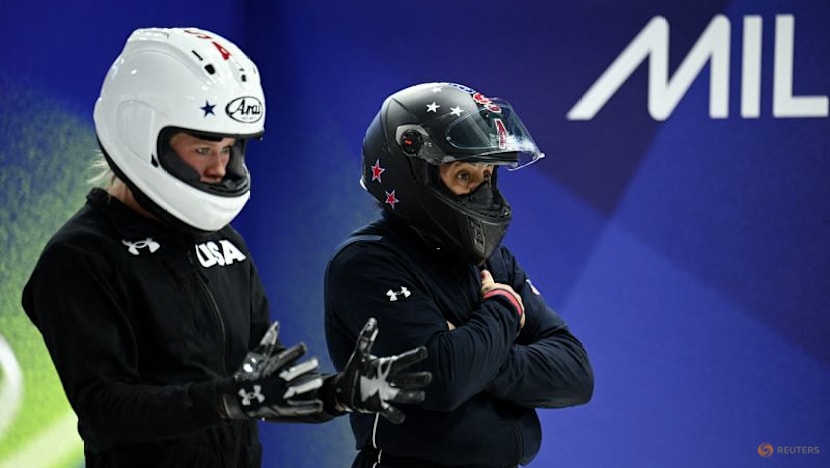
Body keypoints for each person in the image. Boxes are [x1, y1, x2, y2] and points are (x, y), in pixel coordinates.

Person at [21, 27, 431, 468]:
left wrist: (336, 394)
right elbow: (106, 411)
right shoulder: (81, 258)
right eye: (202, 148)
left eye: (230, 147)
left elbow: (261, 388)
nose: (220, 166)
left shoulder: (225, 246)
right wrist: (227, 400)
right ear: (139, 133)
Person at [324, 82, 594, 467]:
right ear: (412, 174)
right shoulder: (367, 262)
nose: (484, 195)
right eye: (464, 176)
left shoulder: (492, 260)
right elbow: (442, 380)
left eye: (488, 175)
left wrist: (479, 355)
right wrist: (501, 308)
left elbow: (575, 373)